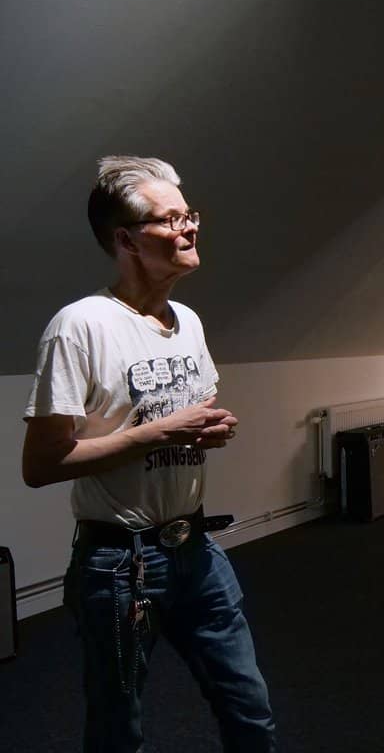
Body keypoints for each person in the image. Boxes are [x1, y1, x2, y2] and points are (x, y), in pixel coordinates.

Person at [21, 156, 276, 752]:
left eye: (190, 215)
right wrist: (158, 434)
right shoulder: (79, 326)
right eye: (171, 219)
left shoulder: (185, 319)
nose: (190, 228)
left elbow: (196, 404)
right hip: (119, 564)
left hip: (196, 550)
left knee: (251, 712)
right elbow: (40, 466)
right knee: (117, 730)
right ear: (126, 240)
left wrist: (206, 428)